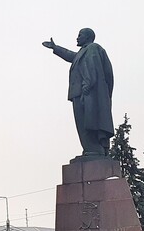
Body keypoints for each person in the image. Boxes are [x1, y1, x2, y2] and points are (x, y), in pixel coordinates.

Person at [43, 28, 114, 157]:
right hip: (80, 92)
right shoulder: (83, 52)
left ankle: (95, 150)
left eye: (80, 35)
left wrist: (88, 84)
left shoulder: (93, 48)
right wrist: (55, 47)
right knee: (83, 124)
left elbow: (93, 66)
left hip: (86, 92)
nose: (77, 38)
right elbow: (73, 56)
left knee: (89, 123)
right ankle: (90, 149)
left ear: (87, 37)